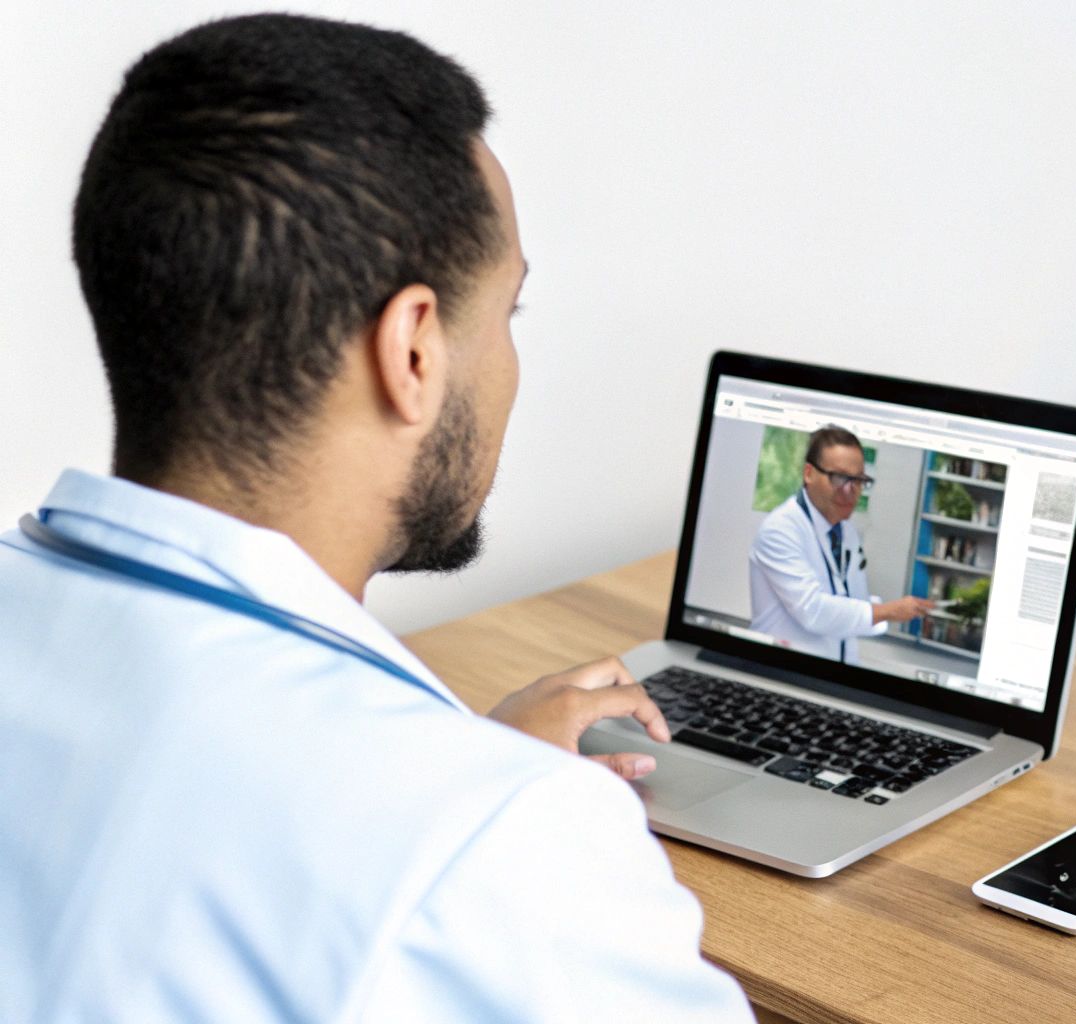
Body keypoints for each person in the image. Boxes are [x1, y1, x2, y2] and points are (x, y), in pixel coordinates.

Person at [0, 15, 753, 1022]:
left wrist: (451, 772)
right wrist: (470, 814)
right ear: (412, 350)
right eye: (505, 315)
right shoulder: (506, 855)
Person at [748, 425, 933, 663]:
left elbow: (851, 603)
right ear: (808, 473)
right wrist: (888, 611)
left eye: (858, 480)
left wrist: (900, 610)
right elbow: (813, 611)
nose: (850, 490)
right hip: (776, 670)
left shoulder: (846, 532)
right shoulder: (781, 529)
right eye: (839, 478)